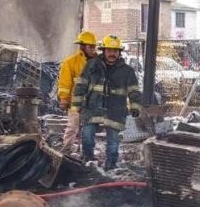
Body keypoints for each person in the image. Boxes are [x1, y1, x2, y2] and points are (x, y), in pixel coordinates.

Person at [71, 35, 141, 170]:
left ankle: (110, 168)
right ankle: (89, 161)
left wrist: (135, 106)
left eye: (115, 51)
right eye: (109, 50)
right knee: (87, 137)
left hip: (115, 109)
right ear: (104, 51)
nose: (112, 54)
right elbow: (81, 85)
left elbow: (134, 90)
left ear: (119, 52)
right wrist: (77, 104)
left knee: (113, 143)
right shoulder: (92, 65)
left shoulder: (127, 71)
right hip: (92, 107)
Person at [57, 31, 96, 152]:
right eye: (90, 47)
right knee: (73, 127)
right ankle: (66, 150)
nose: (93, 49)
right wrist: (64, 99)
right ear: (82, 46)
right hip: (75, 103)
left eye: (94, 47)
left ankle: (87, 154)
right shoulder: (70, 62)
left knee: (89, 130)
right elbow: (65, 83)